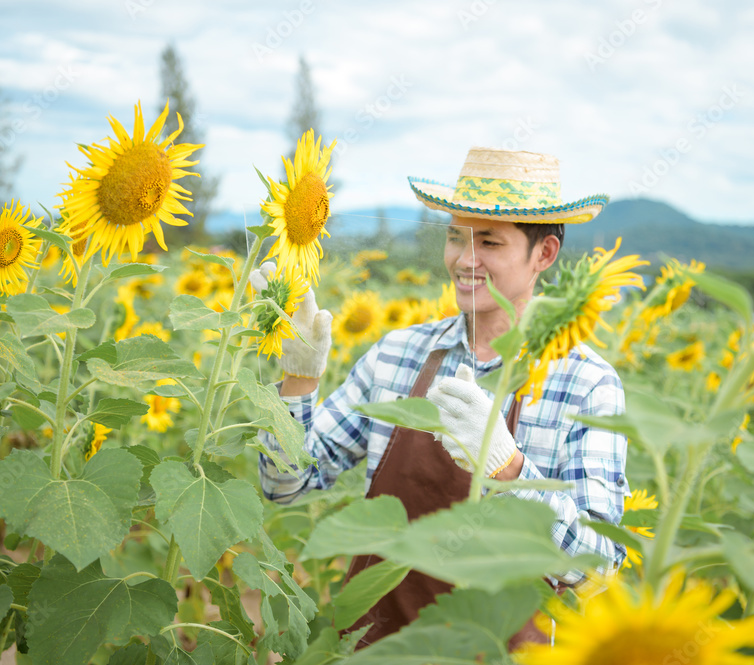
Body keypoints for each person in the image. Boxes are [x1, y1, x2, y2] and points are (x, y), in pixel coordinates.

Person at [254, 147, 629, 647]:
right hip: (379, 651)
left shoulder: (585, 385)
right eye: (456, 237)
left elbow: (598, 567)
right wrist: (298, 380)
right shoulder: (399, 355)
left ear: (544, 254)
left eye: (490, 243)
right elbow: (286, 486)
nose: (465, 260)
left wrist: (508, 469)